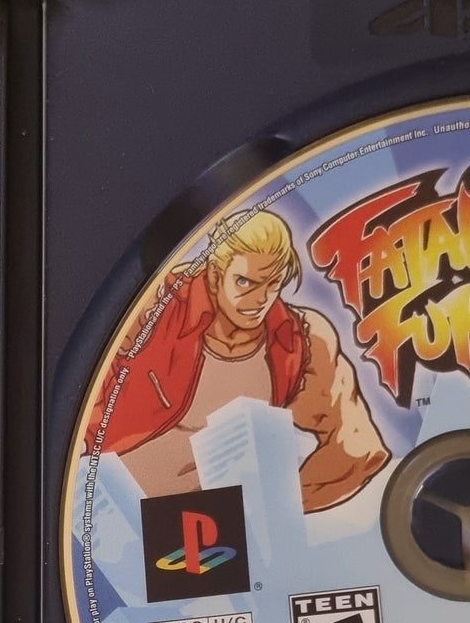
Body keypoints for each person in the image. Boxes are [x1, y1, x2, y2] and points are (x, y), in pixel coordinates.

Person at [84, 209, 390, 513]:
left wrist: (272, 508)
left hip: (208, 531)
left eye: (273, 284)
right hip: (103, 513)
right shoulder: (158, 306)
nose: (260, 300)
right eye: (245, 282)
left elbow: (359, 449)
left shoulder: (299, 340)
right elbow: (82, 378)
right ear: (215, 276)